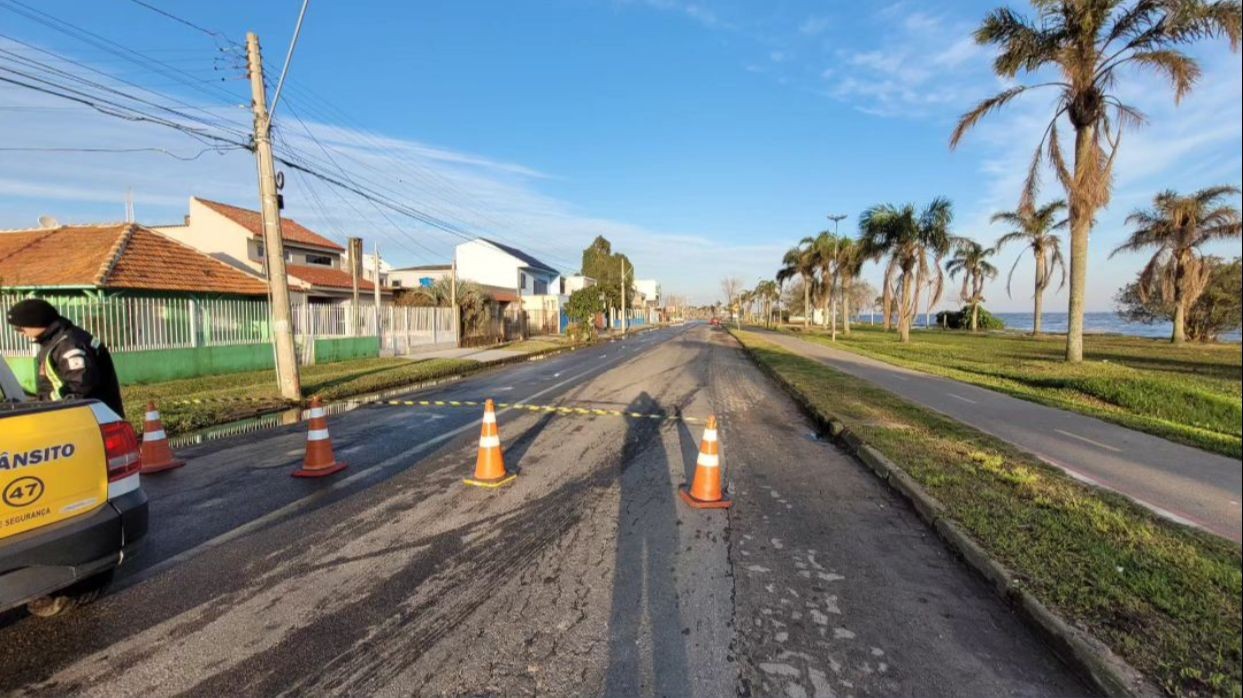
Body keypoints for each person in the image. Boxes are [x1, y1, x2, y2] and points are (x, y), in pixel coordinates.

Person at [5, 298, 124, 415]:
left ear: (36, 322)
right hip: (76, 416)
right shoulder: (53, 342)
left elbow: (80, 387)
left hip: (90, 419)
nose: (19, 333)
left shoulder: (68, 344)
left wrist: (43, 405)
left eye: (20, 328)